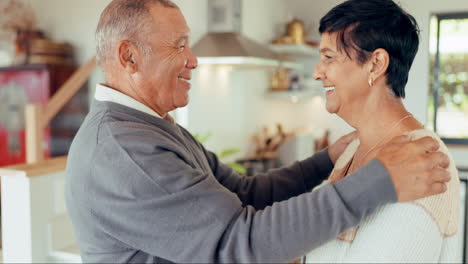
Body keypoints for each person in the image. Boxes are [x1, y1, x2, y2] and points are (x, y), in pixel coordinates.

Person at [65, 0, 452, 263]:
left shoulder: (152, 127)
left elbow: (244, 195)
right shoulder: (126, 150)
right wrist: (378, 180)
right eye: (179, 45)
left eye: (329, 57)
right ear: (129, 57)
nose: (193, 59)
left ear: (376, 64)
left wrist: (324, 162)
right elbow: (240, 242)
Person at [305, 0, 461, 262]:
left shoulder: (422, 161)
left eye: (329, 58)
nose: (316, 73)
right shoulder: (353, 149)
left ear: (376, 64)